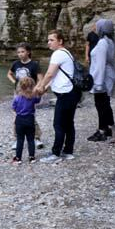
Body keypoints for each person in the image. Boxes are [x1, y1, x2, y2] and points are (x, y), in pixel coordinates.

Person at [36, 30, 81, 163]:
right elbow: (56, 75)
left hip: (65, 94)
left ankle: (55, 154)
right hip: (72, 93)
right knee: (68, 123)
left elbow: (50, 74)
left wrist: (40, 86)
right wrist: (46, 87)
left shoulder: (58, 54)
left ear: (60, 41)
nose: (48, 43)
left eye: (52, 40)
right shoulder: (67, 53)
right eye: (48, 40)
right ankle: (68, 152)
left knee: (59, 124)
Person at [7, 42, 44, 149]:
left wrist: (36, 90)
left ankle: (36, 138)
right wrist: (14, 81)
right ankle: (16, 139)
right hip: (18, 93)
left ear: (28, 52)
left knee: (30, 115)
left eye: (22, 51)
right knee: (17, 116)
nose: (20, 54)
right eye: (18, 52)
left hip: (30, 94)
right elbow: (9, 73)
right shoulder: (15, 64)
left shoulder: (34, 65)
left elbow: (41, 79)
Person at [87, 19, 115, 142]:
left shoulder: (102, 43)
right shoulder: (110, 41)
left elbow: (100, 64)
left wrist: (97, 83)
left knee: (101, 104)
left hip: (102, 78)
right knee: (105, 103)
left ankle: (102, 131)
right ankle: (109, 126)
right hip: (108, 76)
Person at [12, 77, 42, 165]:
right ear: (32, 86)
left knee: (20, 140)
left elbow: (14, 108)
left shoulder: (17, 98)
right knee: (30, 139)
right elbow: (38, 100)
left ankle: (18, 158)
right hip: (30, 119)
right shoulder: (33, 98)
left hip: (20, 119)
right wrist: (39, 93)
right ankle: (31, 157)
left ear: (20, 87)